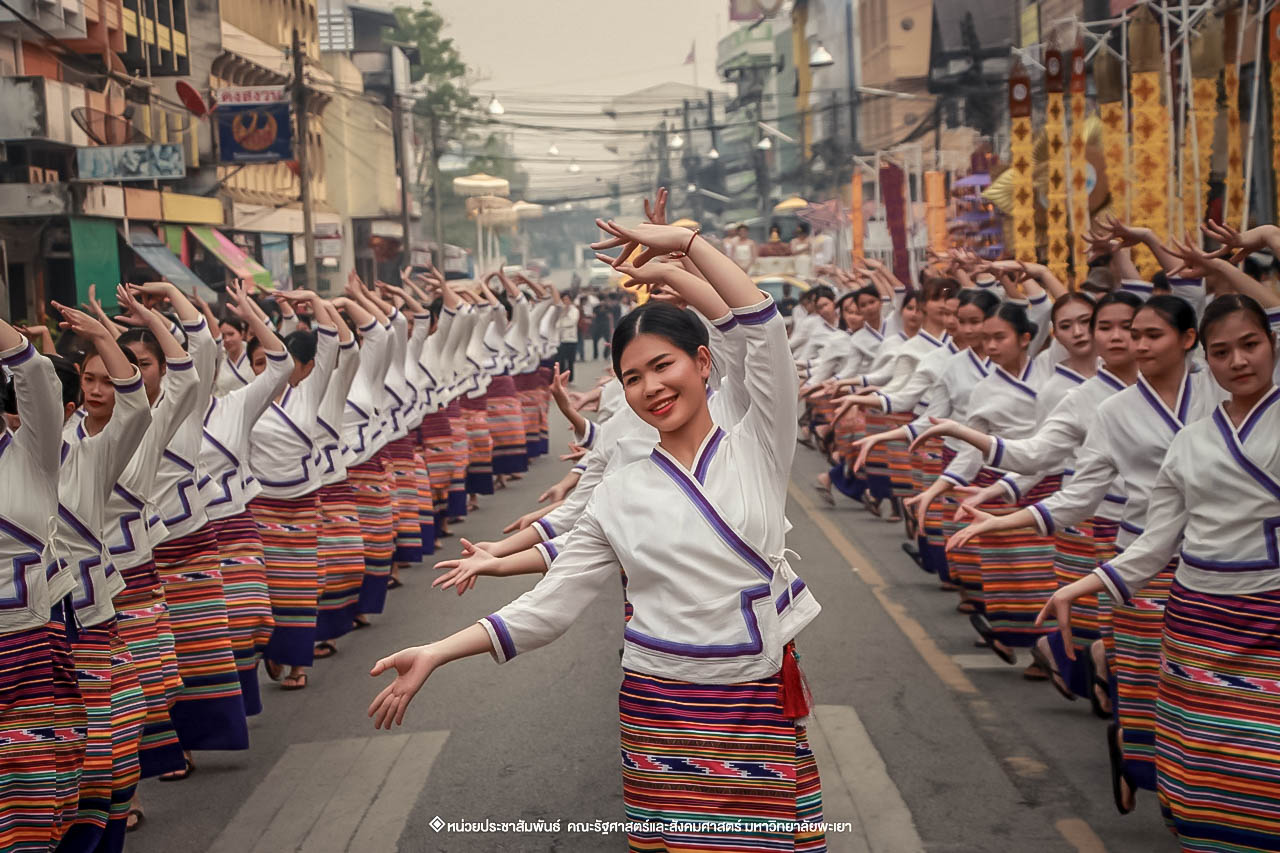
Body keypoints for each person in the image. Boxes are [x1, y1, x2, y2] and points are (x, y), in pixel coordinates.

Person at [369, 219, 825, 851]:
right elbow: (550, 606)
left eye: (662, 366)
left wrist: (681, 253)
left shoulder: (759, 441)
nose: (651, 388)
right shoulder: (620, 488)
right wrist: (438, 652)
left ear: (702, 361)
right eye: (632, 377)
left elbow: (760, 327)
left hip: (752, 698)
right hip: (657, 705)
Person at [1036, 294, 1280, 850]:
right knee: (1210, 757)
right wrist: (1081, 586)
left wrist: (1265, 240)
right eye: (1224, 352)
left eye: (1251, 345)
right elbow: (1154, 546)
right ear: (1208, 359)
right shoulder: (1190, 442)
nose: (1238, 361)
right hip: (1197, 618)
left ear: (1272, 346)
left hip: (1272, 612)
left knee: (1267, 755)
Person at [555, 291, 580, 379]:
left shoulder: (575, 310)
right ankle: (562, 376)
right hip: (561, 339)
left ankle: (570, 377)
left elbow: (572, 322)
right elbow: (557, 324)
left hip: (572, 339)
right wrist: (563, 314)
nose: (566, 301)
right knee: (561, 360)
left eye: (567, 299)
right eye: (564, 299)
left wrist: (564, 320)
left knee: (570, 360)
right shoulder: (560, 311)